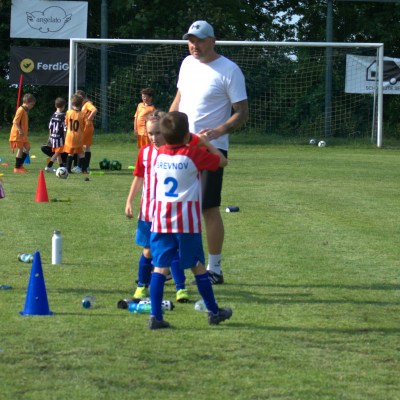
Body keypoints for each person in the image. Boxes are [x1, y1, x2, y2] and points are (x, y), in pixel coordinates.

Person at [169, 20, 249, 284]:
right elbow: (179, 98)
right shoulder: (187, 63)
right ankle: (169, 266)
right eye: (191, 40)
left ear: (212, 41)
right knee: (175, 206)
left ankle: (214, 269)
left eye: (200, 40)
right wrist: (166, 128)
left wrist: (217, 131)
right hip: (180, 145)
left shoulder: (229, 70)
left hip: (210, 147)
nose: (194, 45)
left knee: (208, 207)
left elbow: (242, 112)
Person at [148, 111, 232, 330]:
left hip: (161, 221)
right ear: (187, 135)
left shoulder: (159, 154)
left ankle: (155, 316)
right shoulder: (194, 154)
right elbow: (222, 161)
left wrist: (189, 139)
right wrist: (204, 142)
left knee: (160, 268)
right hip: (185, 223)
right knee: (197, 266)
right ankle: (214, 312)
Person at [125, 111, 189, 303]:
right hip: (148, 212)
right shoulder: (144, 153)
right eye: (150, 133)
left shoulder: (175, 152)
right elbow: (139, 177)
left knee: (173, 250)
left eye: (158, 133)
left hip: (169, 213)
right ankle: (141, 286)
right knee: (148, 251)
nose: (154, 137)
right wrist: (129, 201)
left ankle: (181, 288)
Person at [9, 93, 36, 173]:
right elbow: (15, 121)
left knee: (27, 148)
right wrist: (20, 130)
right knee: (20, 149)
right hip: (18, 134)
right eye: (32, 104)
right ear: (26, 102)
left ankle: (20, 164)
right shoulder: (20, 110)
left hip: (23, 135)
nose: (32, 106)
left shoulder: (25, 110)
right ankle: (17, 167)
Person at [64, 94, 87, 173]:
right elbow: (85, 124)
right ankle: (84, 170)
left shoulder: (68, 112)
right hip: (79, 137)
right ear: (81, 104)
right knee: (81, 153)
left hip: (70, 137)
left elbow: (66, 122)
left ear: (72, 104)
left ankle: (68, 169)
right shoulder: (83, 114)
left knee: (70, 153)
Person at [75, 90, 97, 173]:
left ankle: (81, 166)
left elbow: (95, 110)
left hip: (87, 128)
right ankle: (85, 166)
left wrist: (89, 119)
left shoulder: (88, 104)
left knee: (82, 147)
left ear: (82, 98)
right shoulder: (85, 105)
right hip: (86, 127)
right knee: (86, 147)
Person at [45, 97, 67, 172]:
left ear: (55, 105)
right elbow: (65, 128)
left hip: (53, 137)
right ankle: (49, 166)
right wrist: (65, 137)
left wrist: (50, 137)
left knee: (58, 153)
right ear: (63, 106)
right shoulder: (63, 116)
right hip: (60, 137)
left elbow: (50, 127)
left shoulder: (53, 115)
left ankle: (61, 167)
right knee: (57, 152)